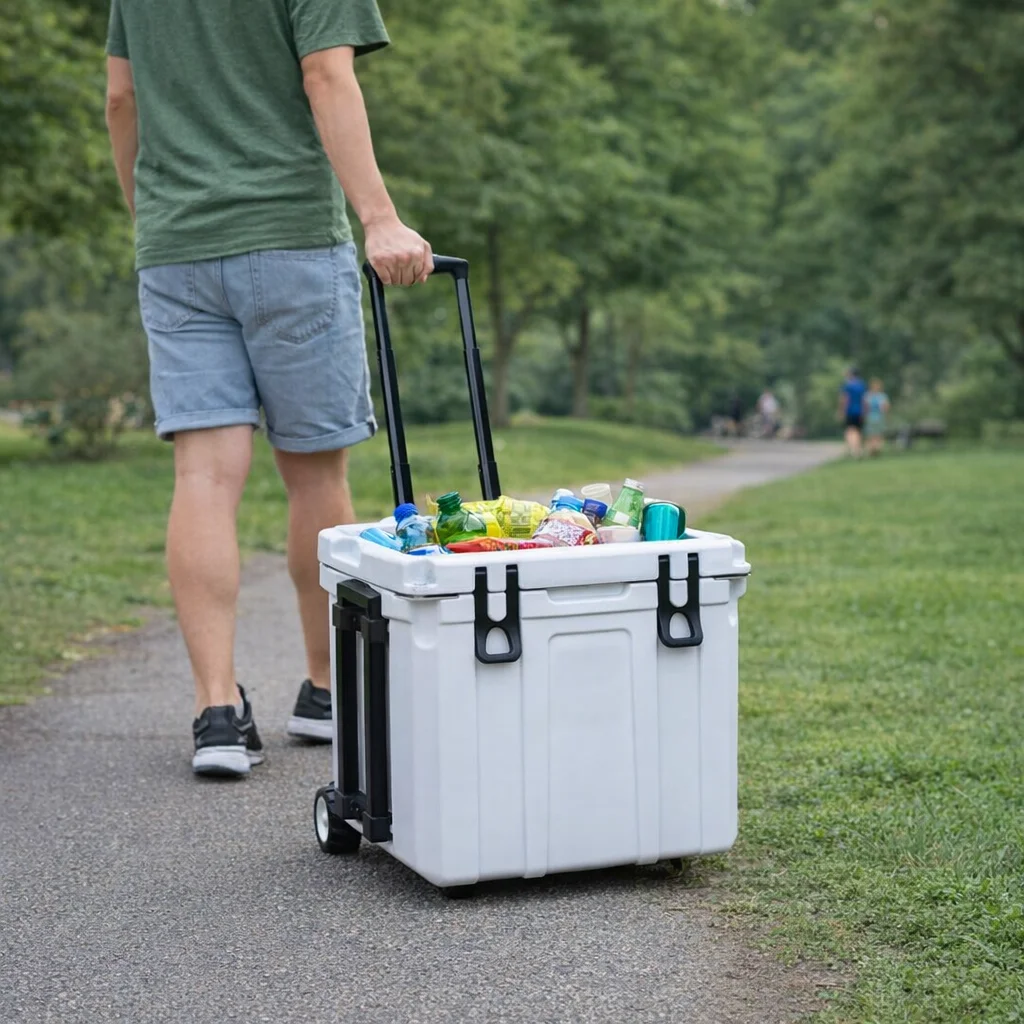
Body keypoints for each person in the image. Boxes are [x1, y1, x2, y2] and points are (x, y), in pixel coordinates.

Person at [105, 0, 432, 777]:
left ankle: (216, 711)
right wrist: (380, 218)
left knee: (203, 476)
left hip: (177, 244)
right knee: (316, 471)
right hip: (289, 235)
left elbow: (122, 100)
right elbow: (325, 73)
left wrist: (151, 217)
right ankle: (326, 691)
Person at [839, 367, 868, 457]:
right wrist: (864, 411)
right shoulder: (862, 385)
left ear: (851, 374)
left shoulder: (847, 385)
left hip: (850, 411)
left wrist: (842, 410)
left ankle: (854, 450)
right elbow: (864, 400)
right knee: (858, 431)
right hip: (860, 411)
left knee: (849, 431)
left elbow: (845, 399)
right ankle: (858, 449)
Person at [864, 378, 890, 456]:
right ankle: (877, 447)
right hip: (879, 417)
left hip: (870, 417)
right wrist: (887, 416)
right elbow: (885, 408)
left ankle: (872, 448)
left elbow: (865, 408)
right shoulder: (882, 396)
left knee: (870, 435)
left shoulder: (868, 396)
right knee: (879, 434)